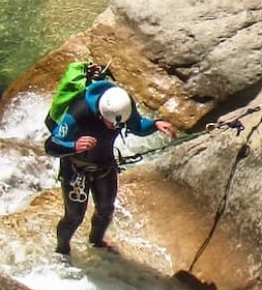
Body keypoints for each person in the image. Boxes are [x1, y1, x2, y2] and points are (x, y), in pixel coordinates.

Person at [44, 80, 175, 254]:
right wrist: (73, 146)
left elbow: (137, 126)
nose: (115, 127)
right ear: (100, 113)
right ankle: (62, 249)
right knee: (74, 217)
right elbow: (50, 145)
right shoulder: (79, 112)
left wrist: (155, 125)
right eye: (110, 123)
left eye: (118, 124)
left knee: (106, 210)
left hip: (104, 165)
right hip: (75, 169)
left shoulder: (123, 105)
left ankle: (96, 242)